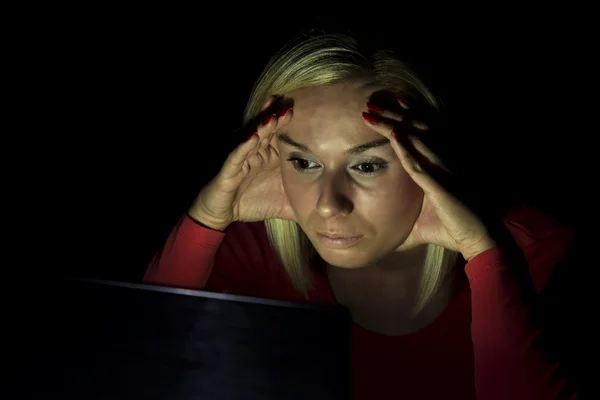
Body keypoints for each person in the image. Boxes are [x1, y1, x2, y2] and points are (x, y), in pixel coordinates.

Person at [144, 32, 580, 399]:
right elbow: (139, 367)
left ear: (431, 158)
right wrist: (204, 219)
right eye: (304, 162)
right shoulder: (248, 258)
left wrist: (484, 254)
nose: (329, 204)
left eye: (367, 165)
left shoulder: (537, 255)